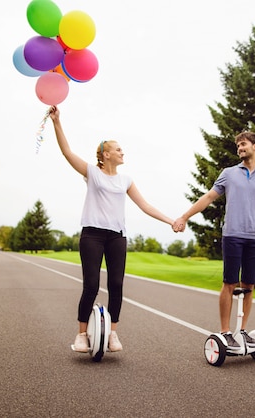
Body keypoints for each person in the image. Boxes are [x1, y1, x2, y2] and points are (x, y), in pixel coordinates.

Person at [49, 105, 174, 353]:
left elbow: (145, 205)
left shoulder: (125, 179)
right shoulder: (92, 173)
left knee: (116, 284)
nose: (122, 152)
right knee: (92, 285)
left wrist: (171, 221)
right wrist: (57, 122)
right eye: (117, 149)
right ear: (105, 154)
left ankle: (113, 333)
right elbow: (66, 152)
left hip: (117, 237)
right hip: (92, 235)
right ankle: (82, 334)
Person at [172, 131, 255, 349]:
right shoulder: (229, 173)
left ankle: (241, 330)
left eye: (243, 144)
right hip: (232, 235)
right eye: (237, 146)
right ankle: (225, 331)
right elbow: (208, 197)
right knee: (229, 283)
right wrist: (184, 216)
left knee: (250, 285)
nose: (239, 148)